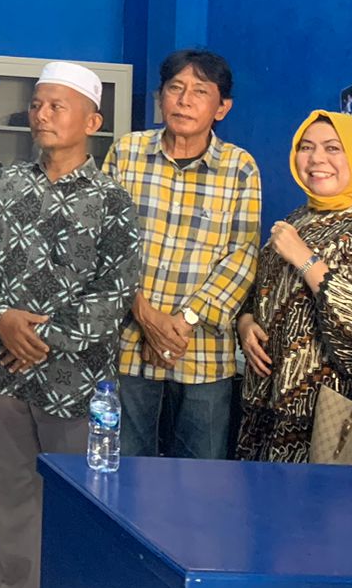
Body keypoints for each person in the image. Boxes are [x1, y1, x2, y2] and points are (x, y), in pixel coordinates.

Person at [0, 62, 138, 588]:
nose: (41, 114)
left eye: (56, 106)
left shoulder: (113, 201)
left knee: (77, 504)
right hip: (6, 374)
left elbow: (115, 292)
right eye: (37, 104)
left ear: (92, 119)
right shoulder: (9, 183)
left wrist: (40, 338)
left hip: (75, 383)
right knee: (10, 497)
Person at [103, 49, 261, 459]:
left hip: (203, 353)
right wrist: (146, 316)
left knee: (199, 481)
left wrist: (181, 322)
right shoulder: (127, 153)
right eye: (175, 88)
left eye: (200, 91)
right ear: (160, 98)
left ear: (222, 108)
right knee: (124, 470)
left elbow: (241, 256)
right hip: (128, 348)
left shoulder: (240, 167)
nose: (184, 100)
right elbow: (106, 243)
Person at [235, 111, 352, 462]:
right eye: (307, 147)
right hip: (268, 412)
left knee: (317, 514)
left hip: (331, 418)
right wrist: (246, 322)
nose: (316, 159)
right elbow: (261, 294)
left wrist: (307, 261)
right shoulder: (300, 217)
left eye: (333, 148)